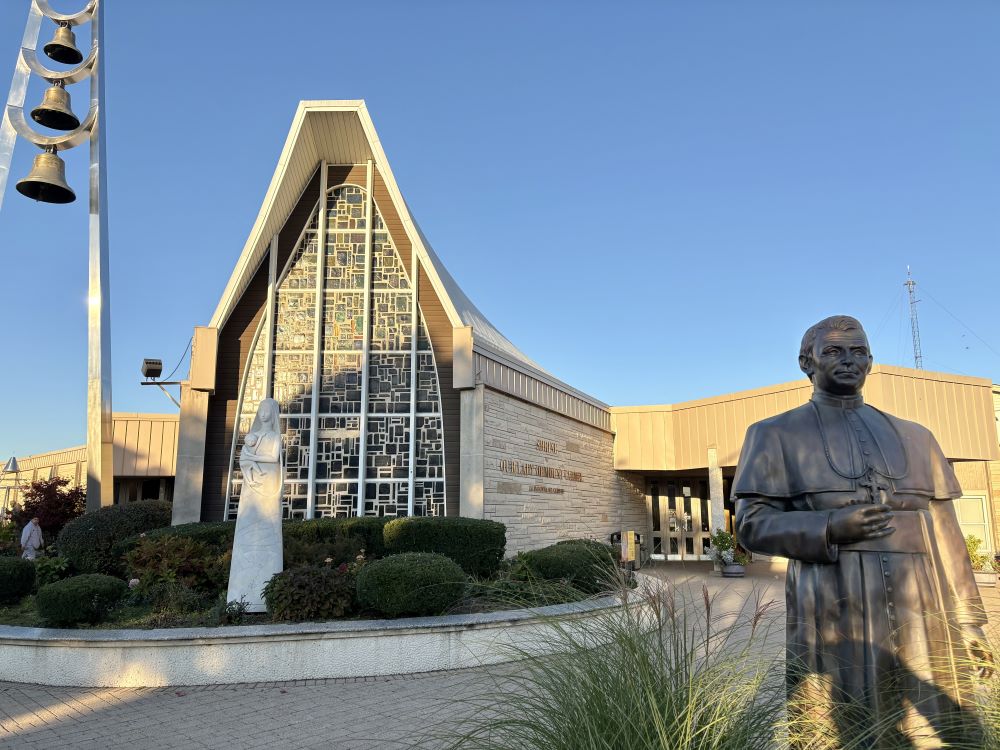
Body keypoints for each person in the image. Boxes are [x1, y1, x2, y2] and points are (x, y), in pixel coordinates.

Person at [733, 315, 992, 748]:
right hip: (833, 602)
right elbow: (750, 524)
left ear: (870, 361)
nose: (849, 360)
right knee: (842, 729)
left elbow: (947, 534)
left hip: (923, 605)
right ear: (806, 362)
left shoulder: (918, 436)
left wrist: (970, 622)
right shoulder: (773, 434)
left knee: (935, 729)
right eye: (834, 351)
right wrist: (829, 526)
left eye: (858, 352)